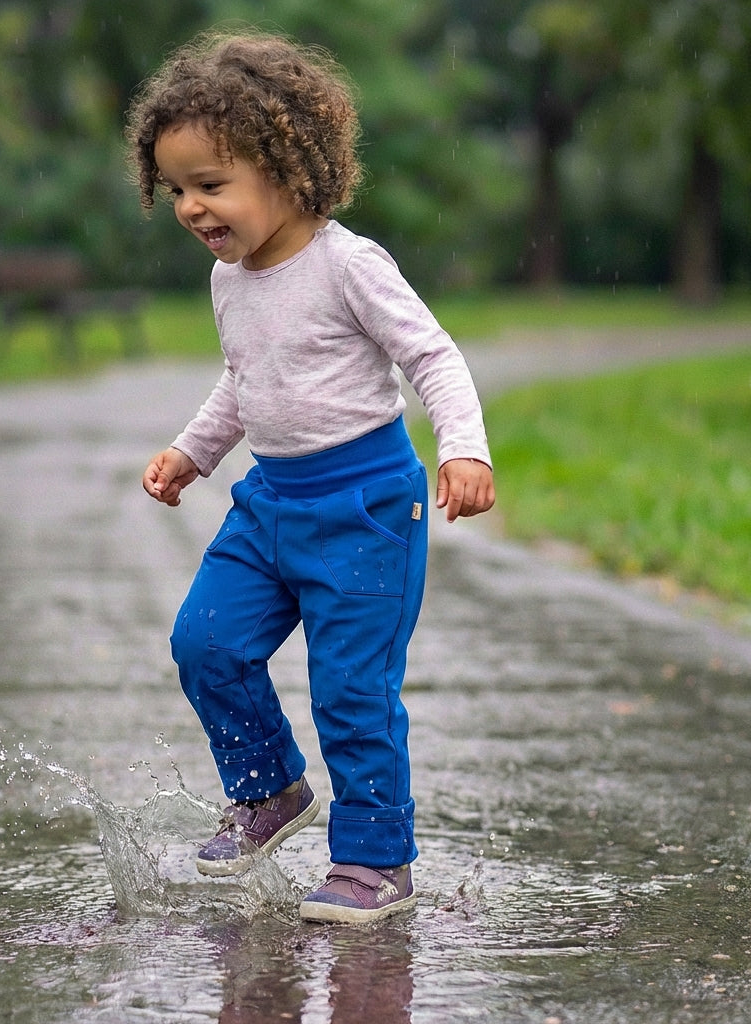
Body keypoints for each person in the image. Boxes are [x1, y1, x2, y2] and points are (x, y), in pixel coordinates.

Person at [126, 30, 495, 925]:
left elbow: (432, 357)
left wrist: (464, 447)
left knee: (351, 692)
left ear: (289, 170)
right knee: (205, 643)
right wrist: (193, 450)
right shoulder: (229, 280)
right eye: (176, 188)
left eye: (211, 184)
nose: (190, 207)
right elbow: (244, 379)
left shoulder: (348, 265)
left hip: (365, 507)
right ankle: (271, 790)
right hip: (271, 504)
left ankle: (376, 861)